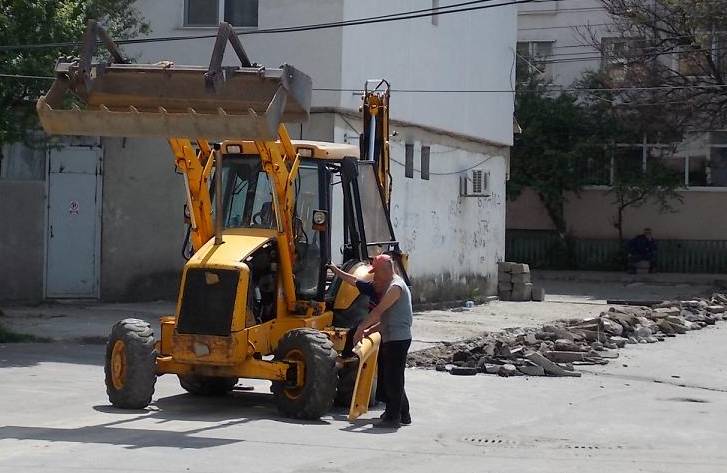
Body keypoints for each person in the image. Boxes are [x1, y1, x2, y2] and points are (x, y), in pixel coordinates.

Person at [328, 254, 413, 428]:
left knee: (393, 380)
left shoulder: (395, 287)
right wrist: (369, 331)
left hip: (398, 340)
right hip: (392, 337)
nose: (375, 276)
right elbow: (387, 320)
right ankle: (403, 414)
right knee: (393, 377)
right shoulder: (387, 285)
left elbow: (378, 312)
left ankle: (393, 418)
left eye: (377, 272)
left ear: (386, 269)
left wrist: (361, 328)